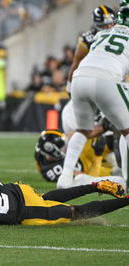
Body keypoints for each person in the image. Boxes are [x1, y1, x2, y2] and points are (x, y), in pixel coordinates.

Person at [57, 6, 129, 189]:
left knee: (83, 130)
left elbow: (78, 63)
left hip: (80, 78)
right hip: (106, 79)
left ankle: (64, 177)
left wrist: (69, 87)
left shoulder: (99, 35)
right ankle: (127, 178)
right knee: (126, 130)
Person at [34, 130, 126, 189]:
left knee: (114, 140)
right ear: (53, 151)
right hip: (90, 167)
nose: (66, 148)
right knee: (119, 175)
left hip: (83, 153)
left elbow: (75, 134)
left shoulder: (41, 150)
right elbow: (88, 178)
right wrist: (98, 156)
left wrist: (100, 128)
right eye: (63, 148)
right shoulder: (53, 170)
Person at [65, 5, 115, 94]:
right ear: (97, 25)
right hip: (95, 81)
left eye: (111, 24)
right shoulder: (88, 39)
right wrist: (69, 87)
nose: (109, 27)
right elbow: (76, 64)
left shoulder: (120, 34)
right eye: (105, 25)